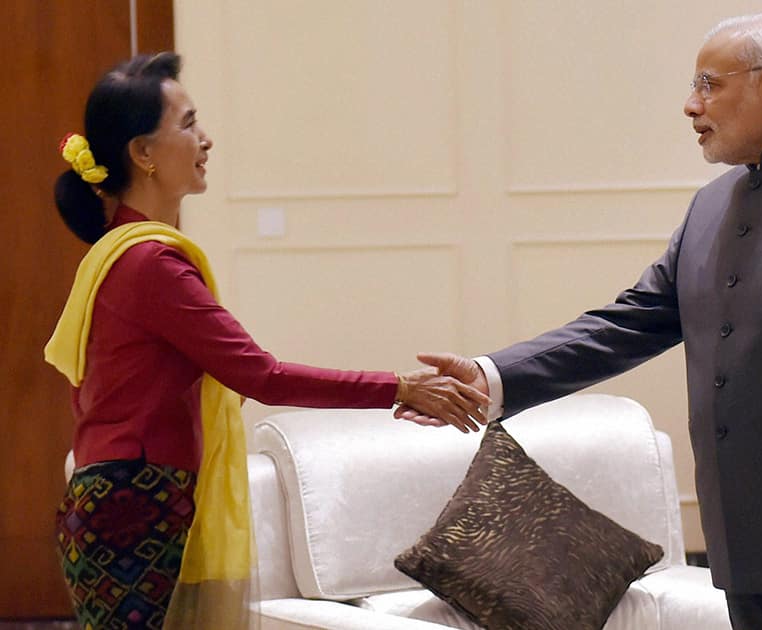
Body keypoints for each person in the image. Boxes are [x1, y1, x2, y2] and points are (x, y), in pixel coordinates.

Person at [399, 13, 762, 629]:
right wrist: (491, 376)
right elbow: (627, 323)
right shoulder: (710, 206)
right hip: (748, 556)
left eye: (708, 84)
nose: (689, 105)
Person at [46, 52, 489, 630]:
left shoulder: (127, 250)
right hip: (136, 502)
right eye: (188, 124)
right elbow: (261, 375)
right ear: (144, 153)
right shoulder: (149, 262)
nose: (206, 141)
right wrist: (404, 388)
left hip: (123, 498)